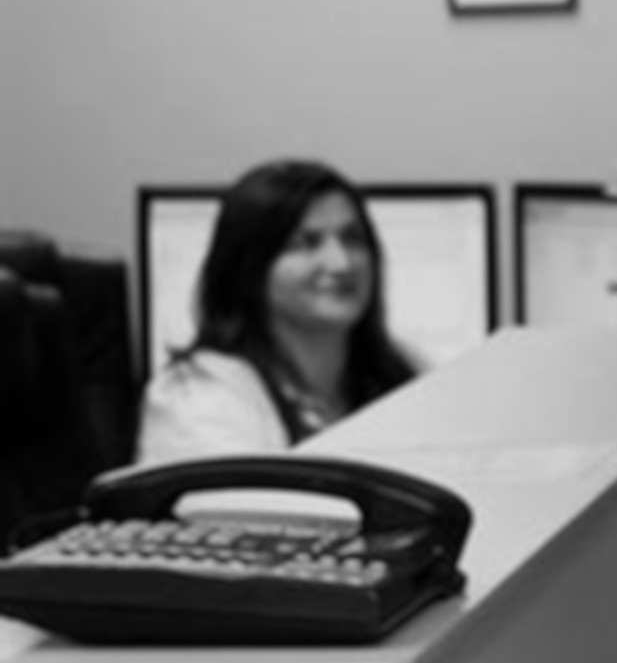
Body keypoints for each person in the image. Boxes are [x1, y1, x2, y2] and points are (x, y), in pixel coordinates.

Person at [137, 158, 417, 463]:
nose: (341, 262)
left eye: (353, 239)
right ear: (250, 266)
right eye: (306, 243)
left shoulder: (402, 375)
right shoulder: (199, 397)